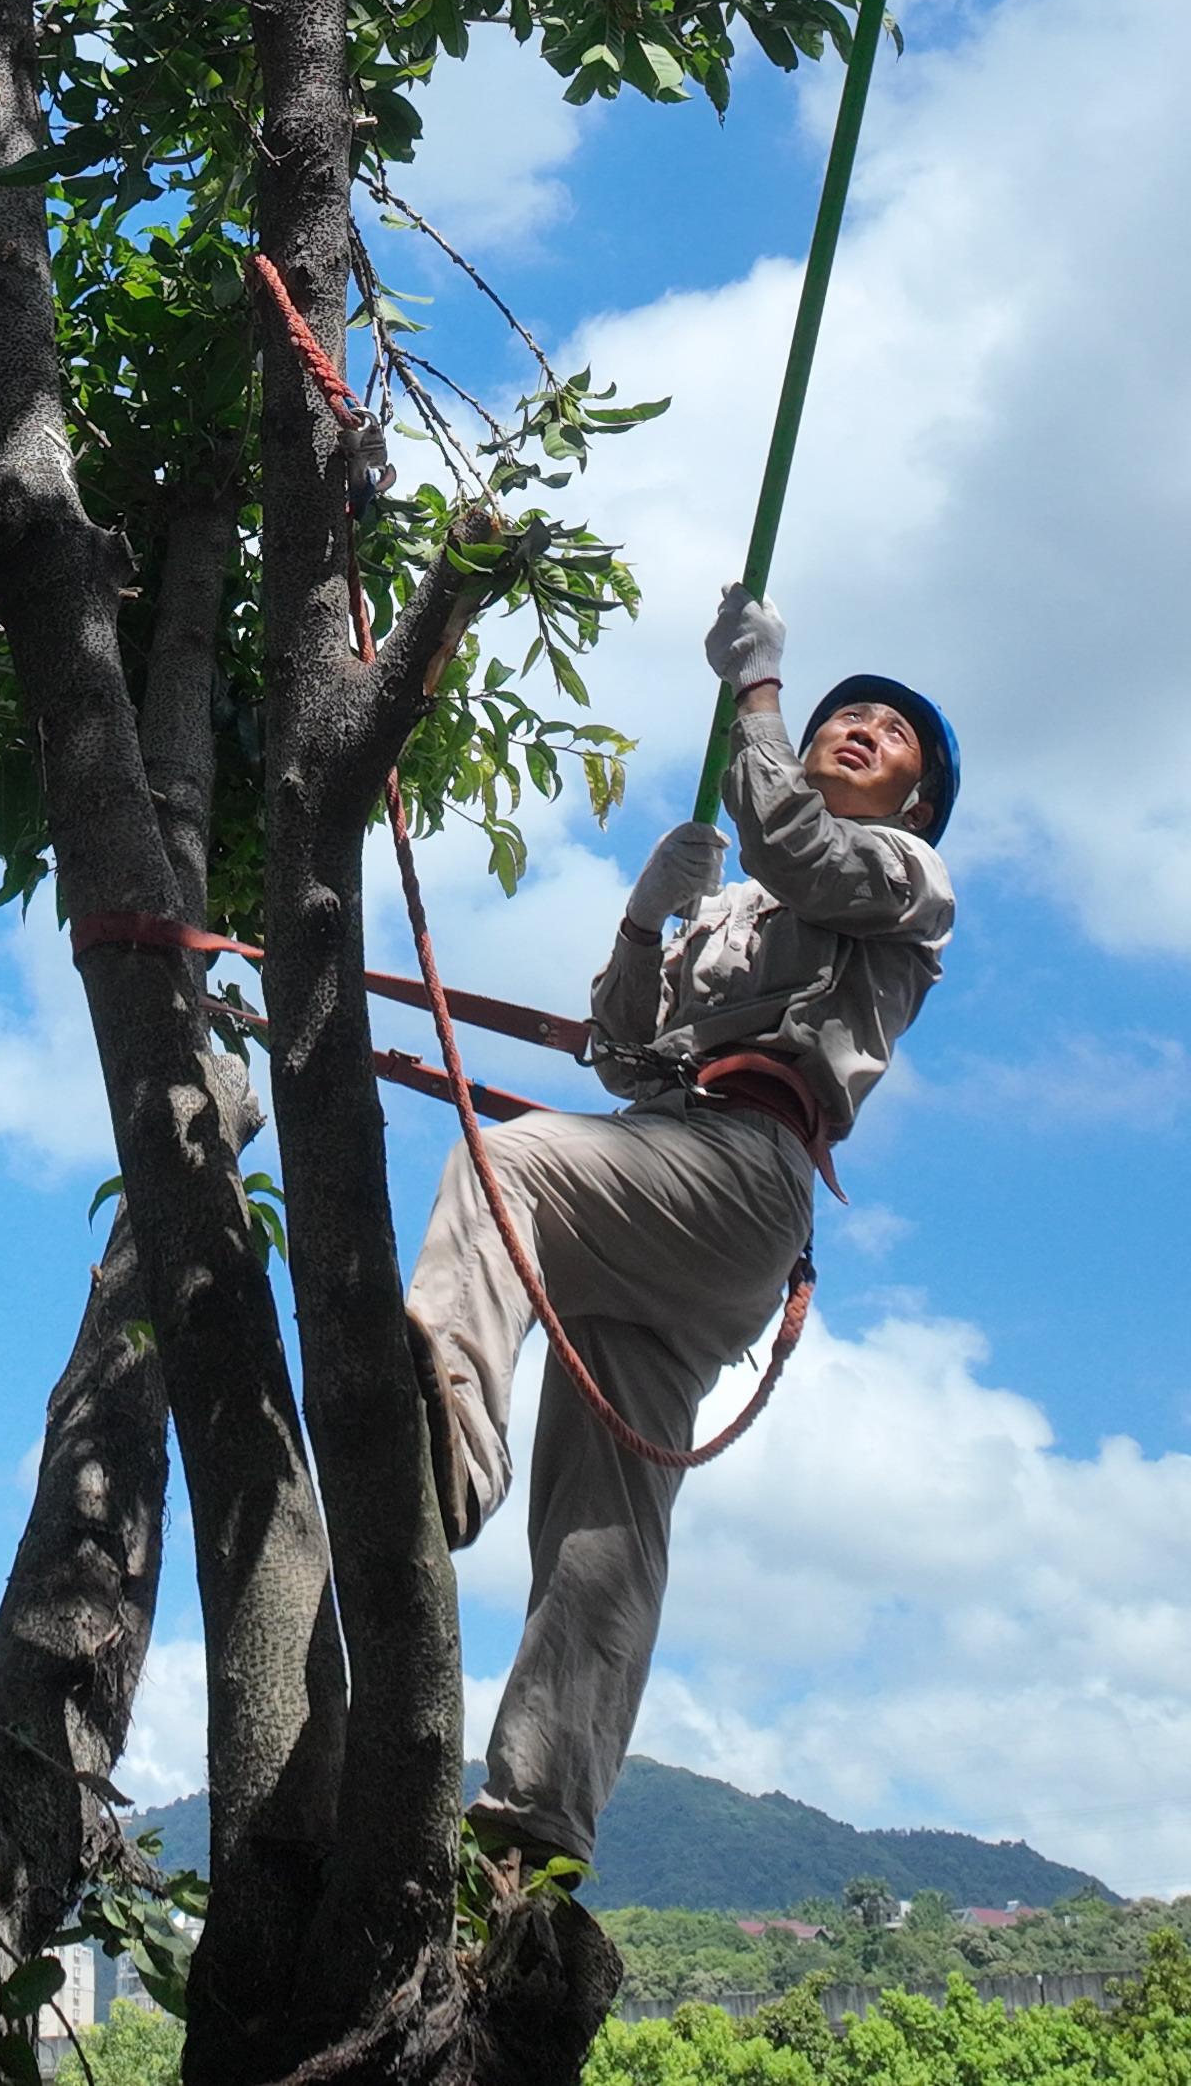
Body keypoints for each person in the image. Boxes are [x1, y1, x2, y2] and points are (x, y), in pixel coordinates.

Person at [403, 577, 956, 1880]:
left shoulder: (906, 880)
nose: (857, 726)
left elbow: (800, 850)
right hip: (667, 1169)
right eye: (839, 714)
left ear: (917, 799)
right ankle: (535, 1826)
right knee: (604, 1536)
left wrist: (757, 689)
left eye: (889, 732)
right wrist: (650, 918)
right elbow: (625, 1052)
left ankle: (445, 1425)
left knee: (507, 1169)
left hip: (744, 1171)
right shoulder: (742, 902)